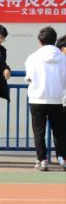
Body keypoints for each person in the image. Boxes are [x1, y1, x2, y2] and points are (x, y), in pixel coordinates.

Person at [24, 27, 66, 171]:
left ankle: (42, 160)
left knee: (39, 132)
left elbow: (29, 78)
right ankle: (62, 159)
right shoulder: (63, 58)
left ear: (40, 41)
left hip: (37, 99)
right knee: (59, 131)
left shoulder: (33, 57)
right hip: (56, 99)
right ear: (54, 40)